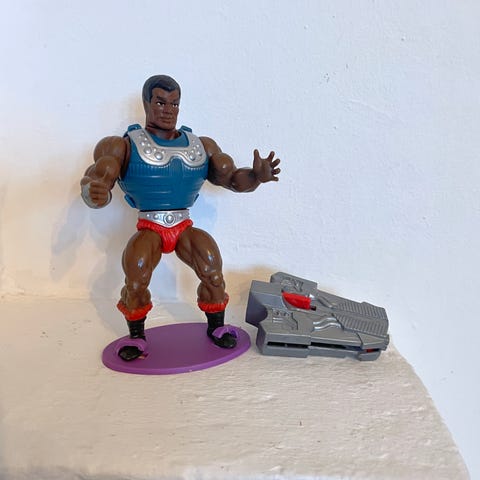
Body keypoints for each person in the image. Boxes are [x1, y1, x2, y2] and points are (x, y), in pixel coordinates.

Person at [81, 75, 280, 361]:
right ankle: (136, 337)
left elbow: (234, 180)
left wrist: (257, 176)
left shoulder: (201, 145)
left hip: (183, 224)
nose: (168, 110)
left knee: (212, 268)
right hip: (150, 225)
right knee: (136, 277)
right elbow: (98, 180)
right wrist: (95, 192)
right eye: (160, 102)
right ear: (146, 103)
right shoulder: (122, 145)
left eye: (174, 104)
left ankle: (217, 327)